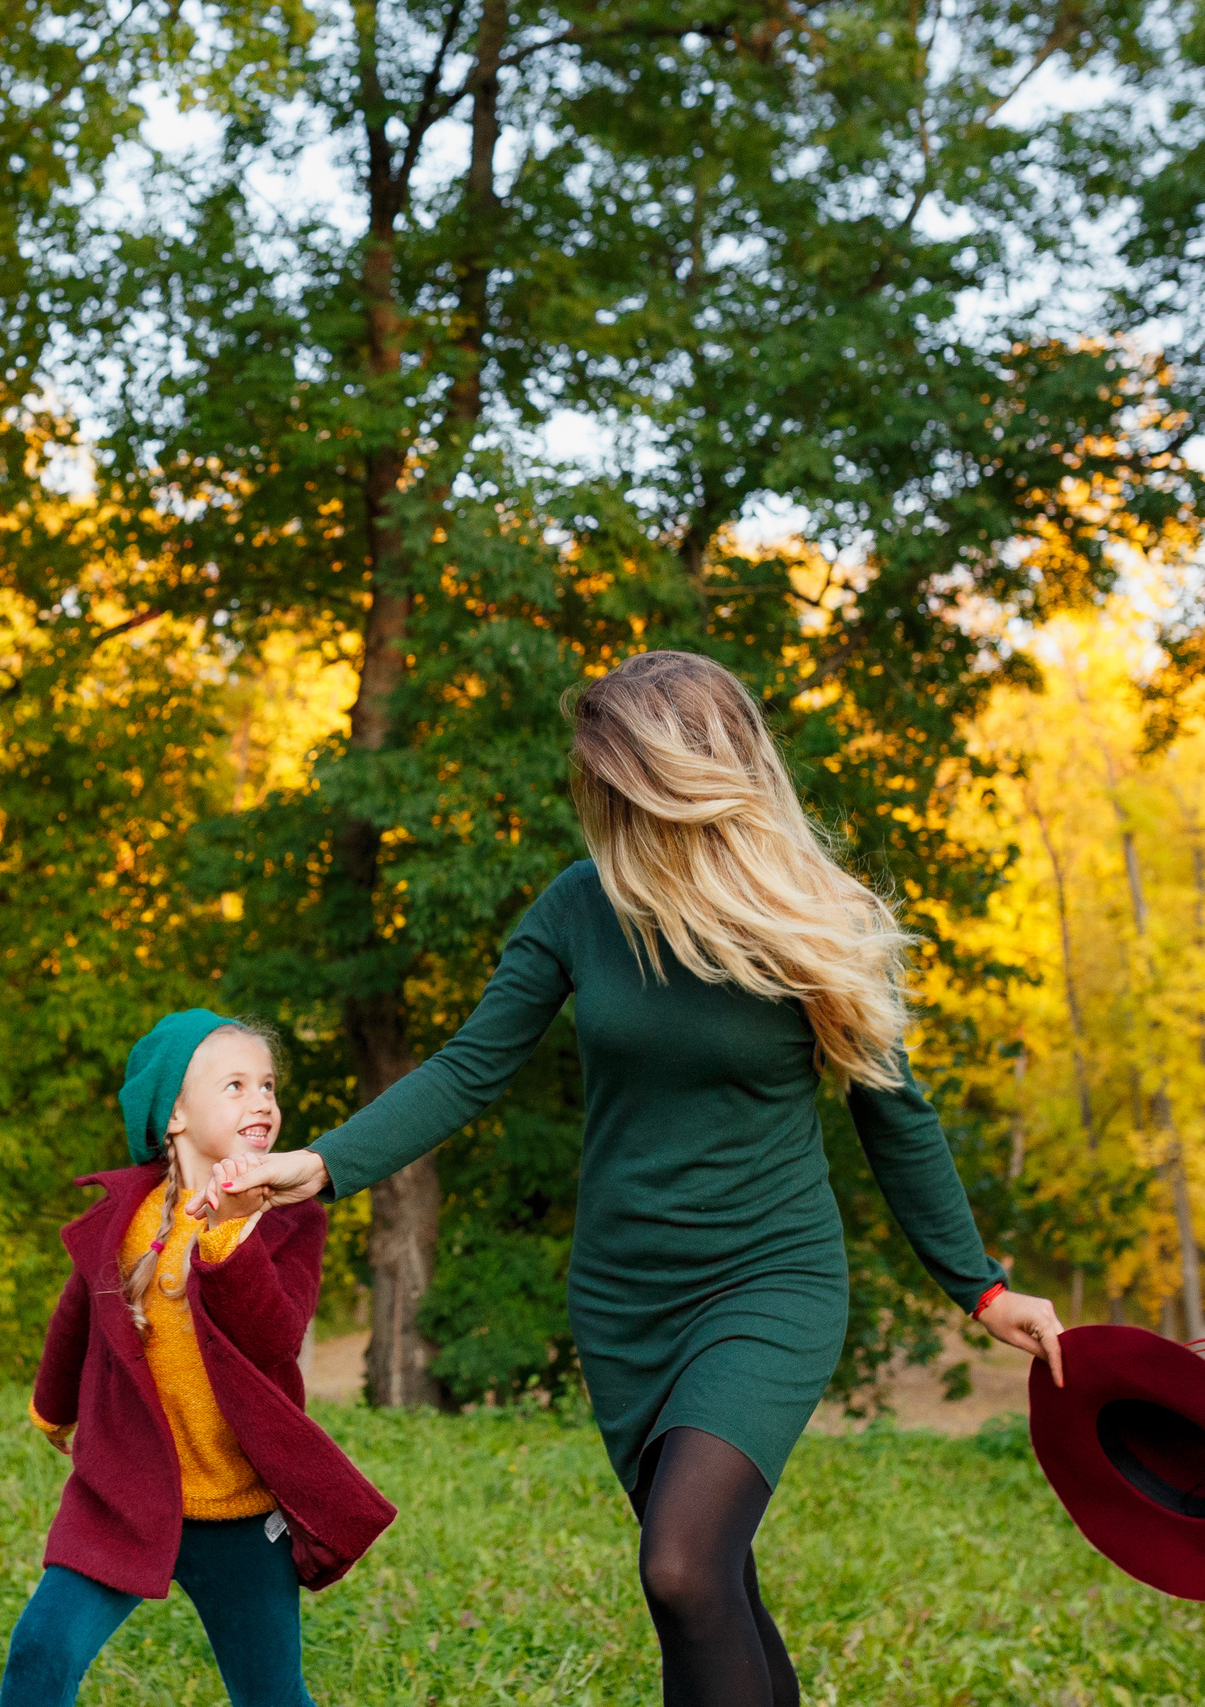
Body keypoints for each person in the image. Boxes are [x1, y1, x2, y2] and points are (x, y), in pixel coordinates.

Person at [206, 651, 1068, 1707]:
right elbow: (470, 1066)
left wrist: (977, 1286)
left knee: (680, 1568)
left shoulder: (816, 916)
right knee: (712, 1587)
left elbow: (895, 1115)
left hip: (769, 1283)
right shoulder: (581, 907)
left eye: (625, 777)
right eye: (597, 779)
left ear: (693, 773)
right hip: (624, 1299)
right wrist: (320, 1164)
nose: (606, 801)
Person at [1, 1010, 396, 1707]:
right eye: (236, 1084)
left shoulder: (288, 1216)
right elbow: (78, 1317)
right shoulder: (126, 1216)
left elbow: (275, 1337)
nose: (262, 1101)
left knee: (271, 1694)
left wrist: (229, 1233)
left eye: (268, 1085)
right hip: (123, 1495)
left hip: (241, 1514)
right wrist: (51, 1405)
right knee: (41, 1649)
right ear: (175, 1114)